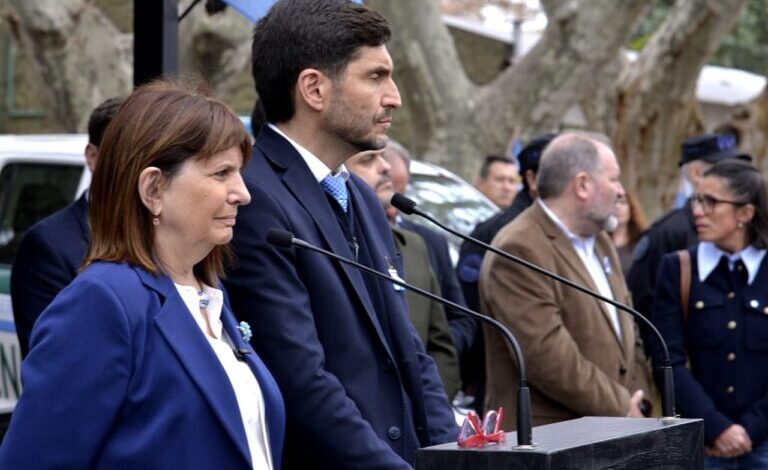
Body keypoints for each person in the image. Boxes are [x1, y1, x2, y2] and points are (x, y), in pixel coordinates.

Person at [0, 80, 285, 468]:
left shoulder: (209, 293)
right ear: (153, 189)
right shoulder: (102, 301)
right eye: (221, 173)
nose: (243, 193)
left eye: (239, 172)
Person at [224, 1, 457, 468]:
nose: (394, 97)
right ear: (313, 88)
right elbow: (301, 378)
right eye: (375, 77)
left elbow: (410, 352)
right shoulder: (253, 199)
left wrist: (452, 456)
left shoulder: (364, 199)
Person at [480, 132, 653, 427]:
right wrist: (623, 406)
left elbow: (629, 330)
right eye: (614, 180)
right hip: (552, 439)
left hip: (615, 432)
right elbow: (547, 358)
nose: (622, 192)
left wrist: (640, 399)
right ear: (583, 185)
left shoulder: (600, 241)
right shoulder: (519, 248)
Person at [650, 160, 768, 469]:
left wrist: (751, 429)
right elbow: (667, 360)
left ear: (745, 213)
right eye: (696, 200)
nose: (697, 211)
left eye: (710, 202)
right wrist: (718, 427)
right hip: (702, 443)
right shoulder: (678, 268)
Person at [11, 96, 123, 357]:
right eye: (124, 155)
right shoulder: (49, 246)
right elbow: (54, 361)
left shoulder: (168, 235)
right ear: (93, 157)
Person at [346, 149, 461, 399]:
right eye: (368, 160)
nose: (386, 167)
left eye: (383, 158)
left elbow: (441, 343)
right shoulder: (333, 245)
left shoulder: (415, 245)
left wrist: (431, 405)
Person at [454, 133, 555, 413]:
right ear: (534, 180)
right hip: (506, 382)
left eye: (511, 180)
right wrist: (469, 377)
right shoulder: (494, 233)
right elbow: (470, 310)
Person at [627, 133, 751, 325]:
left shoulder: (746, 229)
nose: (735, 176)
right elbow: (640, 304)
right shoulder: (667, 232)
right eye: (725, 169)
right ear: (696, 174)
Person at [384, 140, 476, 359]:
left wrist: (434, 360)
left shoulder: (429, 242)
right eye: (386, 194)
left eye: (400, 195)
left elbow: (462, 319)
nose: (394, 210)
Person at [611, 191, 648, 277]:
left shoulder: (642, 241)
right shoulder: (599, 241)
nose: (618, 207)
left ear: (631, 208)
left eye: (622, 202)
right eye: (614, 203)